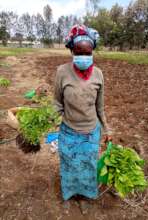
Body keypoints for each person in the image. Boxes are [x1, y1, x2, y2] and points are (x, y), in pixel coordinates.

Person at [54, 24, 112, 214]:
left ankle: (84, 196)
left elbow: (100, 107)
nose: (84, 57)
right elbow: (57, 103)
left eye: (88, 53)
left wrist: (107, 130)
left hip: (90, 133)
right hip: (68, 131)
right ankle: (71, 194)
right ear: (72, 51)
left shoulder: (98, 74)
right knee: (69, 164)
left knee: (88, 165)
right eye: (79, 52)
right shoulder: (62, 72)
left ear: (92, 51)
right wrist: (47, 119)